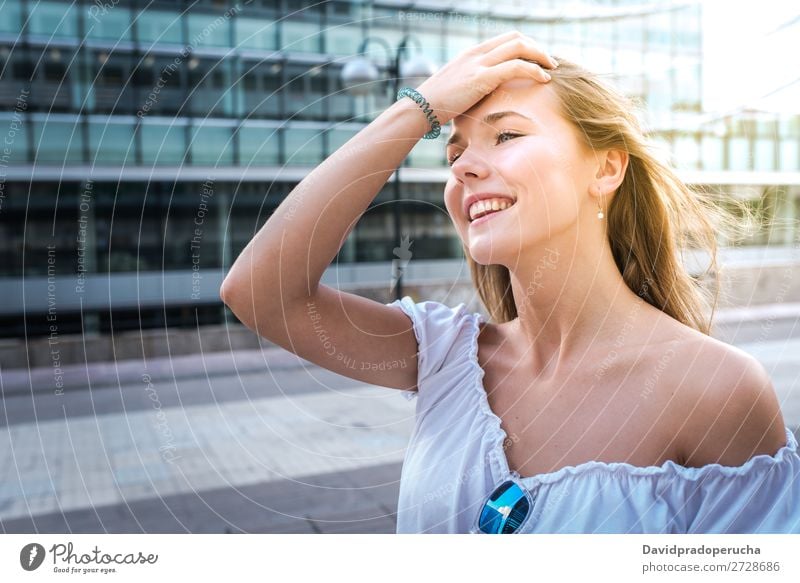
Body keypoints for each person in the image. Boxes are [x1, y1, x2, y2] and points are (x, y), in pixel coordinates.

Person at [220, 31, 800, 533]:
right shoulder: (444, 358)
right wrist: (416, 109)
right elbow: (258, 292)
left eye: (506, 136)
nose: (464, 166)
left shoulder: (716, 390)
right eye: (454, 151)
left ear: (606, 168)